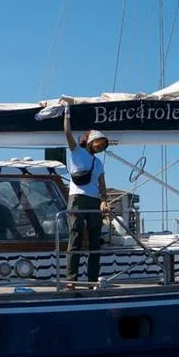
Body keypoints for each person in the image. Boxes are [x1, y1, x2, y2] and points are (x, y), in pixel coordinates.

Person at [62, 105, 109, 289]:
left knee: (94, 241)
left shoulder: (98, 163)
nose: (101, 147)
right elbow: (67, 133)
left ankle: (91, 280)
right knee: (75, 237)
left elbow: (102, 183)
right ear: (91, 140)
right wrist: (66, 115)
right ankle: (71, 280)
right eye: (100, 143)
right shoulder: (76, 152)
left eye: (103, 145)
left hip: (94, 200)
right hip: (77, 199)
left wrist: (104, 200)